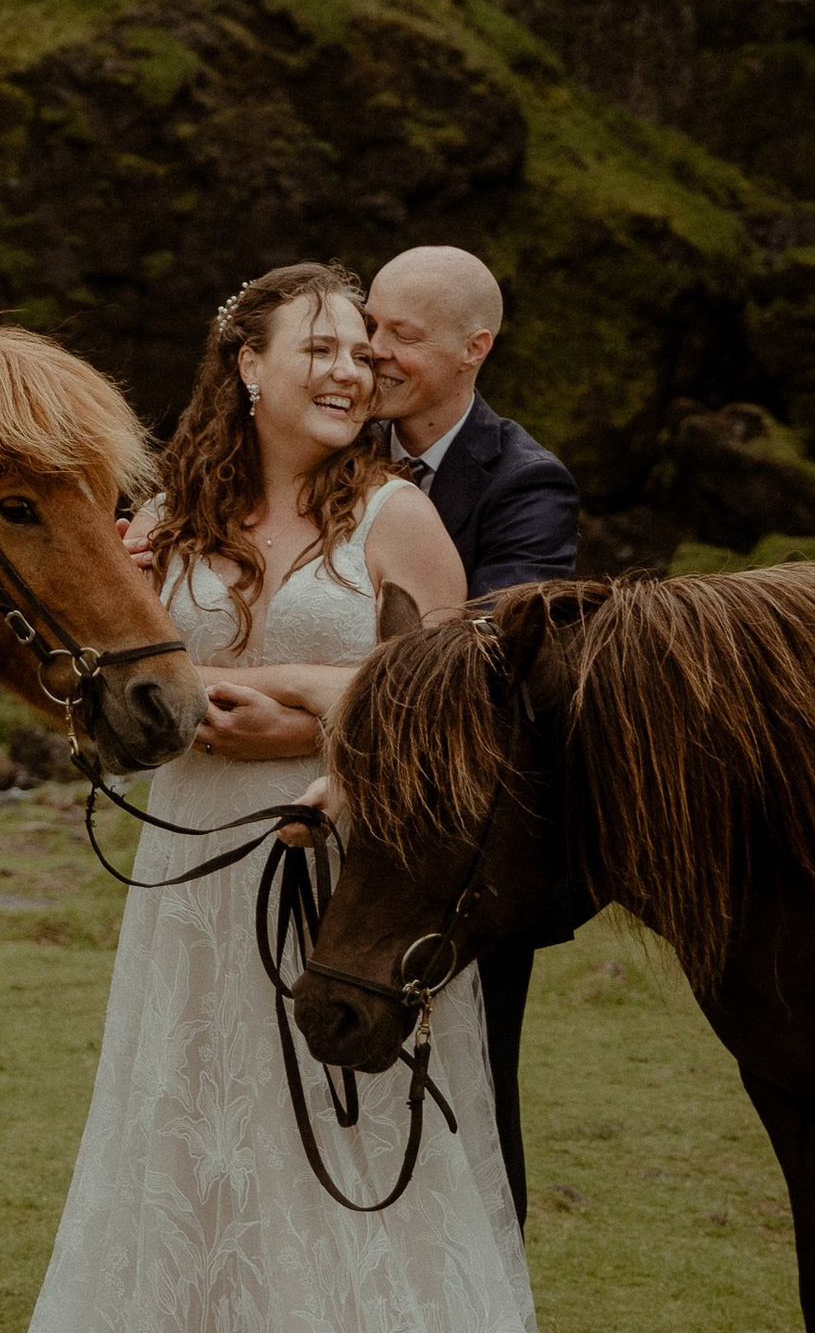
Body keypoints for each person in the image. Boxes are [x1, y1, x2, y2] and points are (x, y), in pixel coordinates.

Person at [0, 261, 608, 1333]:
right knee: (192, 1150)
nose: (351, 371)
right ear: (247, 366)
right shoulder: (161, 527)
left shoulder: (400, 517)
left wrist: (299, 705)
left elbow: (457, 698)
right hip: (188, 869)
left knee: (333, 1149)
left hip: (341, 864)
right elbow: (112, 670)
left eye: (361, 351)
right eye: (320, 349)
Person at [193, 244, 584, 1226]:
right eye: (367, 326)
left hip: (456, 847)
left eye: (399, 336)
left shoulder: (525, 485)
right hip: (277, 825)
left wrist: (287, 713)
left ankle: (480, 1277)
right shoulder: (330, 436)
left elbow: (475, 676)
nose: (369, 352)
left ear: (473, 350)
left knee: (470, 1091)